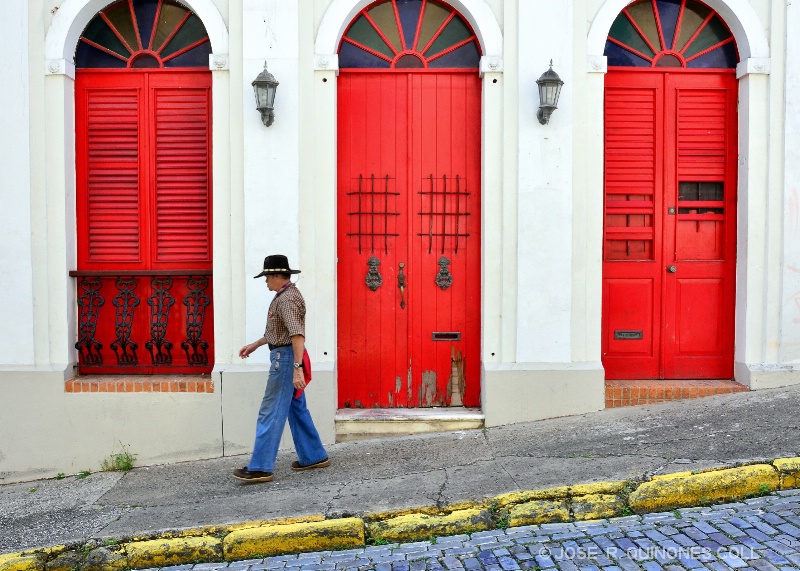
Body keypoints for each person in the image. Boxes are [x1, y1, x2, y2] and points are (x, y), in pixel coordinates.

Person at [233, 254, 329, 483]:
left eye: (267, 277)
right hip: (285, 355)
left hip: (285, 359)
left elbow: (297, 335)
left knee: (271, 411)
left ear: (277, 275)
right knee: (296, 409)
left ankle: (260, 467)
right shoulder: (285, 295)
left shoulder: (286, 299)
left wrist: (296, 368)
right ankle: (313, 455)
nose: (265, 282)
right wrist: (255, 345)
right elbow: (279, 333)